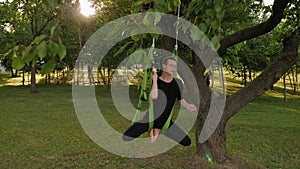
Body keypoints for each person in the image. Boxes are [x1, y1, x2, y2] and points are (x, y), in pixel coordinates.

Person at [122, 56, 197, 146]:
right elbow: (154, 96)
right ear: (164, 66)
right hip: (150, 119)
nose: (173, 68)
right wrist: (154, 80)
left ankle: (157, 130)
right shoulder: (156, 81)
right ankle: (154, 129)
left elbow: (180, 99)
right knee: (126, 137)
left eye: (175, 66)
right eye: (170, 65)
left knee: (186, 142)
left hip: (166, 122)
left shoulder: (178, 82)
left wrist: (188, 106)